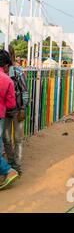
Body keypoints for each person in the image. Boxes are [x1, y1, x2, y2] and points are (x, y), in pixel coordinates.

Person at [3, 47, 29, 175]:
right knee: (6, 138)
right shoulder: (4, 73)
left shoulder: (18, 72)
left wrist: (23, 109)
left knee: (18, 139)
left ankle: (17, 166)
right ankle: (11, 162)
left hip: (17, 110)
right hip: (6, 111)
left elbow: (24, 91)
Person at [0, 50, 20, 190]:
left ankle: (8, 170)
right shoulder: (7, 80)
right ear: (6, 66)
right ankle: (8, 170)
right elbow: (11, 104)